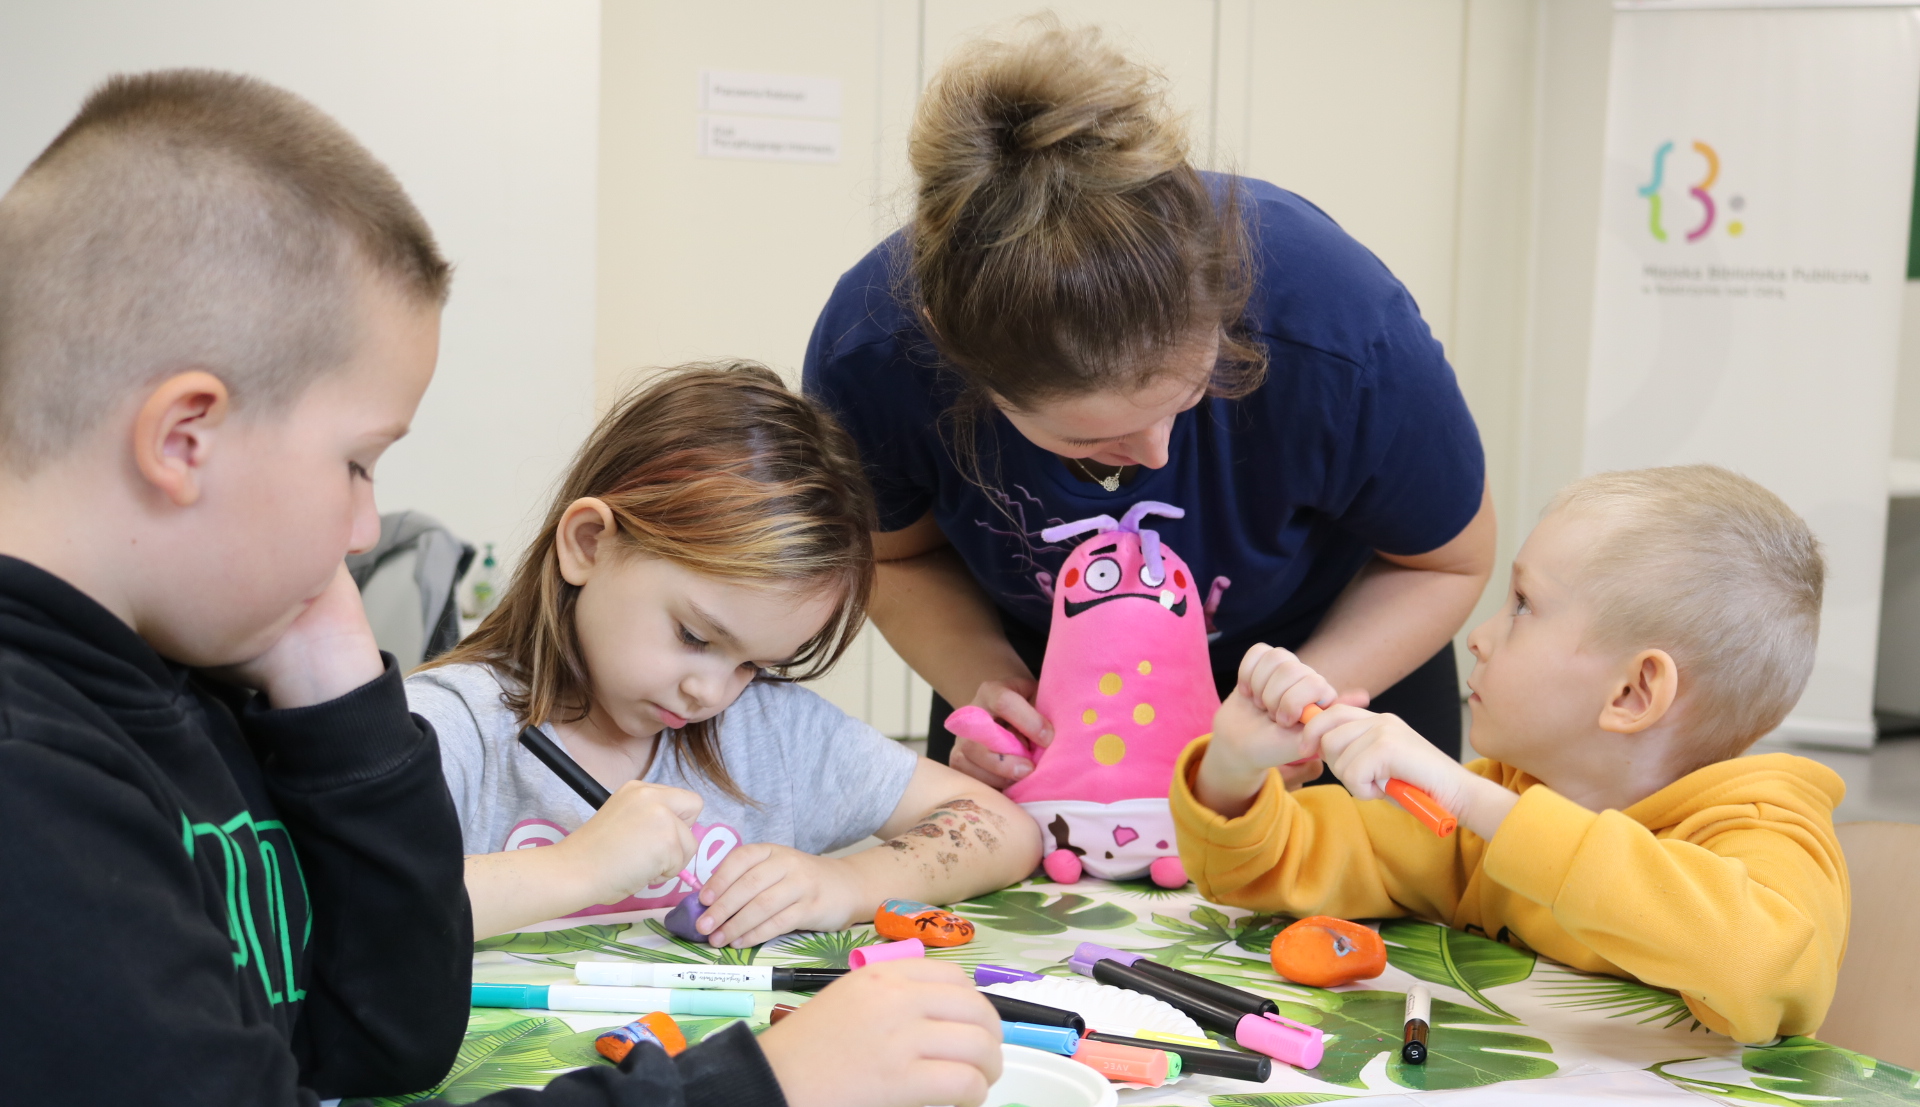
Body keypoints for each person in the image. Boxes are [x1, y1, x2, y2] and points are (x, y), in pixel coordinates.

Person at [0, 70, 1000, 1107]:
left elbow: (385, 1036)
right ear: (185, 437)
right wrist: (749, 1104)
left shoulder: (184, 684)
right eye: (361, 462)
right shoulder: (32, 774)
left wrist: (336, 710)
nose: (368, 529)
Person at [803, 20, 1495, 795]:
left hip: (1324, 661)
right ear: (952, 360)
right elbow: (893, 558)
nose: (1159, 457)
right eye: (1090, 438)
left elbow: (1447, 563)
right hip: (1047, 680)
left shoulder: (1340, 326)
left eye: (1189, 396)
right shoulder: (871, 354)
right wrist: (992, 686)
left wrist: (1295, 707)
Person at [1174, 466, 1845, 1046]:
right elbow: (1273, 868)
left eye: (1523, 605)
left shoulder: (1765, 828)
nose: (1480, 637)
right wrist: (1234, 769)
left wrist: (1482, 806)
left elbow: (1763, 966)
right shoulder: (1499, 807)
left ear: (1633, 692)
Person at [409, 364, 1041, 944]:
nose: (712, 694)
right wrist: (573, 870)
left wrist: (843, 884)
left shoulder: (769, 734)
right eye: (695, 637)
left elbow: (1002, 827)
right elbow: (341, 908)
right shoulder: (448, 730)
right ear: (589, 544)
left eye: (754, 665)